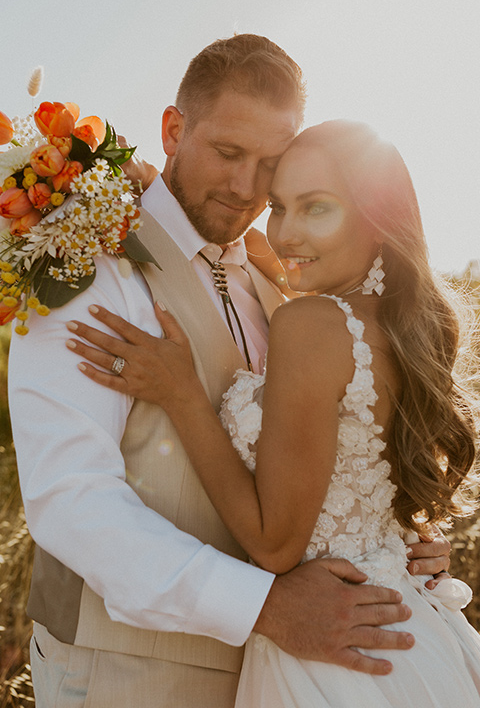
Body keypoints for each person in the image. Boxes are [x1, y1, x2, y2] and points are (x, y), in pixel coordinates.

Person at [8, 36, 449, 707]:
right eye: (227, 152)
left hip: (282, 669)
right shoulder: (87, 265)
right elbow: (72, 500)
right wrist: (266, 606)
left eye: (269, 164)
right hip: (125, 673)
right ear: (174, 130)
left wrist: (404, 544)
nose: (247, 187)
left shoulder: (285, 290)